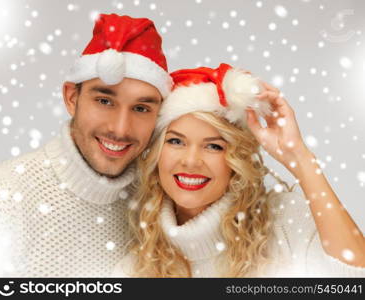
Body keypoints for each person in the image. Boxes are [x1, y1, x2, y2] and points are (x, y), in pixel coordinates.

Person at [112, 64, 365, 277]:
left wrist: (299, 157)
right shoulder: (135, 269)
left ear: (236, 158)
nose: (191, 161)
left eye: (213, 145)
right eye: (176, 141)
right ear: (155, 153)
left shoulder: (284, 219)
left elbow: (354, 277)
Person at [0, 13, 172, 277]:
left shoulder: (161, 201)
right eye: (104, 101)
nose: (120, 128)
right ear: (71, 97)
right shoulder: (5, 196)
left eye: (140, 108)